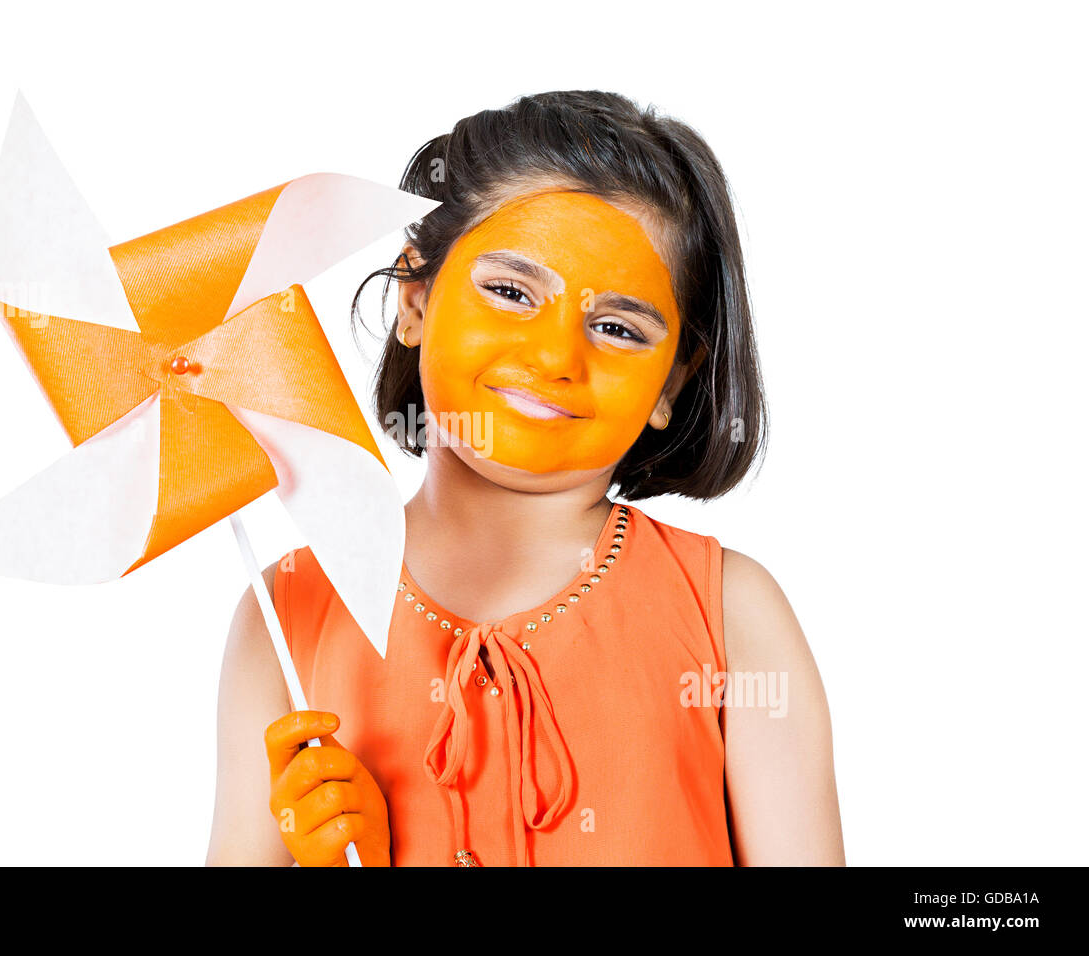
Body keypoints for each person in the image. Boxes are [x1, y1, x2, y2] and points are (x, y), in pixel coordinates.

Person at [205, 90, 844, 866]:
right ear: (415, 300)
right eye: (509, 292)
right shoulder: (288, 615)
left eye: (616, 328)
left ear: (672, 386)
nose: (553, 359)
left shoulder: (731, 615)